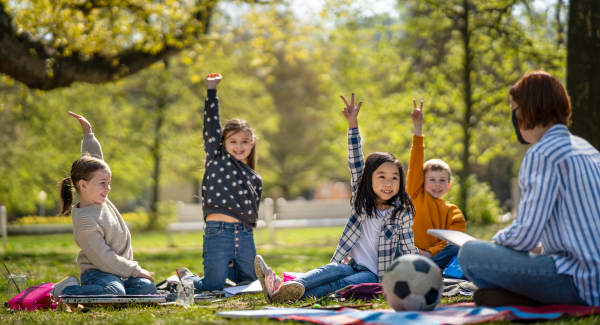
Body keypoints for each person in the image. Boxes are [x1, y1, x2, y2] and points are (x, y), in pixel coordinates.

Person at [254, 93, 417, 303]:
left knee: (339, 285)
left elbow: (407, 247)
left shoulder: (401, 212)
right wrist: (353, 124)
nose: (388, 183)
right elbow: (355, 160)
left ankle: (282, 295)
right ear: (369, 179)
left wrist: (417, 267)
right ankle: (279, 286)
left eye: (394, 178)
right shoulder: (363, 198)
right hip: (350, 262)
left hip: (376, 274)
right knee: (329, 270)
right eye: (382, 176)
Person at [458, 71, 600, 307]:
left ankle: (523, 296)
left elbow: (525, 235)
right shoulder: (588, 149)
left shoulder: (542, 153)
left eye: (514, 110)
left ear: (527, 109)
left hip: (578, 283)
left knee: (470, 254)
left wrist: (495, 244)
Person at [52, 112, 156, 297]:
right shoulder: (84, 219)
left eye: (109, 183)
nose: (107, 188)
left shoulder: (99, 199)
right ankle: (64, 291)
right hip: (97, 273)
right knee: (113, 290)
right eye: (103, 183)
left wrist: (88, 133)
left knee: (147, 287)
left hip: (118, 272)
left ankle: (118, 293)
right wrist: (135, 270)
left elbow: (93, 159)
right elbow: (103, 258)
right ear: (83, 185)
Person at [177, 73, 263, 292]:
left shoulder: (255, 178)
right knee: (212, 285)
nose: (239, 146)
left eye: (244, 141)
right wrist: (211, 90)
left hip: (244, 235)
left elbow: (252, 212)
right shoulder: (217, 158)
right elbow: (211, 125)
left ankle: (231, 267)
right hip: (218, 233)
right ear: (223, 143)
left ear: (252, 144)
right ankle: (186, 279)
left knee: (251, 283)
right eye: (232, 141)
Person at [407, 99, 466, 269]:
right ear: (422, 181)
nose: (437, 184)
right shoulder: (415, 194)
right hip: (408, 252)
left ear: (448, 185)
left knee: (457, 247)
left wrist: (430, 253)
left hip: (434, 258)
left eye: (442, 181)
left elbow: (451, 240)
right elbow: (416, 161)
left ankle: (426, 269)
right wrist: (418, 128)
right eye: (431, 180)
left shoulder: (453, 212)